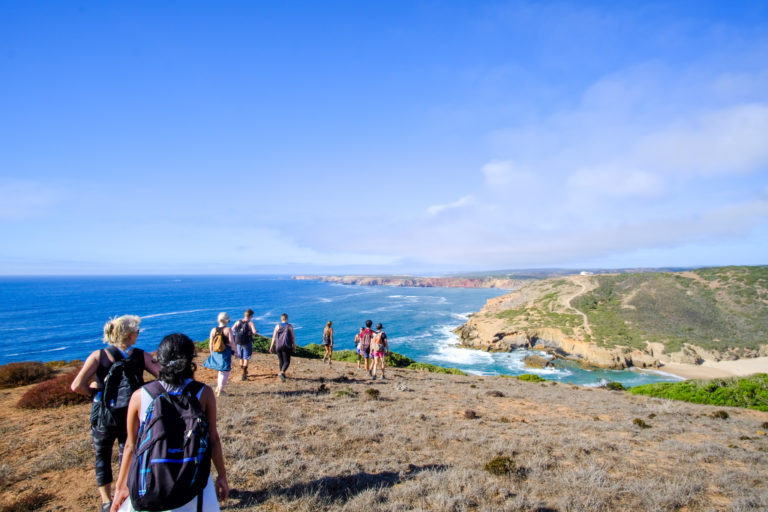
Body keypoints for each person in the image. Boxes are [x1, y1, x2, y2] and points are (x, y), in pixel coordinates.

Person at [110, 333, 229, 512]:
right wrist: (221, 475)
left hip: (151, 482)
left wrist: (121, 486)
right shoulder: (203, 393)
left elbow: (130, 445)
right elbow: (213, 439)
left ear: (159, 360)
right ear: (191, 360)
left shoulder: (140, 396)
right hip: (193, 483)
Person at [71, 315, 160, 512]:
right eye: (137, 331)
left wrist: (95, 393)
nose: (139, 334)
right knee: (128, 453)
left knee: (101, 455)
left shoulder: (98, 356)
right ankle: (126, 496)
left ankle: (106, 500)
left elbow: (76, 385)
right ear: (129, 335)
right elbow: (162, 377)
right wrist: (144, 390)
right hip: (132, 414)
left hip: (104, 415)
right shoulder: (141, 356)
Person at [202, 313, 236, 397]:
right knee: (225, 371)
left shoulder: (213, 330)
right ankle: (221, 390)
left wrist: (211, 353)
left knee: (220, 371)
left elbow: (210, 343)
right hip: (225, 351)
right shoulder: (228, 330)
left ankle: (218, 388)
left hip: (216, 352)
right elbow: (232, 342)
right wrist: (236, 351)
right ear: (227, 320)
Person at [231, 309, 257, 381]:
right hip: (246, 342)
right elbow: (254, 332)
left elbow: (232, 329)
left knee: (241, 357)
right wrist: (252, 332)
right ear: (250, 315)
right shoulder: (250, 323)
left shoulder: (238, 322)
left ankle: (242, 370)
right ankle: (244, 373)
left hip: (238, 341)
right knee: (246, 358)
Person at [269, 313, 295, 381]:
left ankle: (282, 375)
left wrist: (271, 346)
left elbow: (274, 337)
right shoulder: (289, 326)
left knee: (281, 361)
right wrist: (294, 345)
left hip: (278, 346)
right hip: (286, 345)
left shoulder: (277, 326)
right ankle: (282, 372)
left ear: (281, 319)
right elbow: (292, 337)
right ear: (287, 318)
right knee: (287, 361)